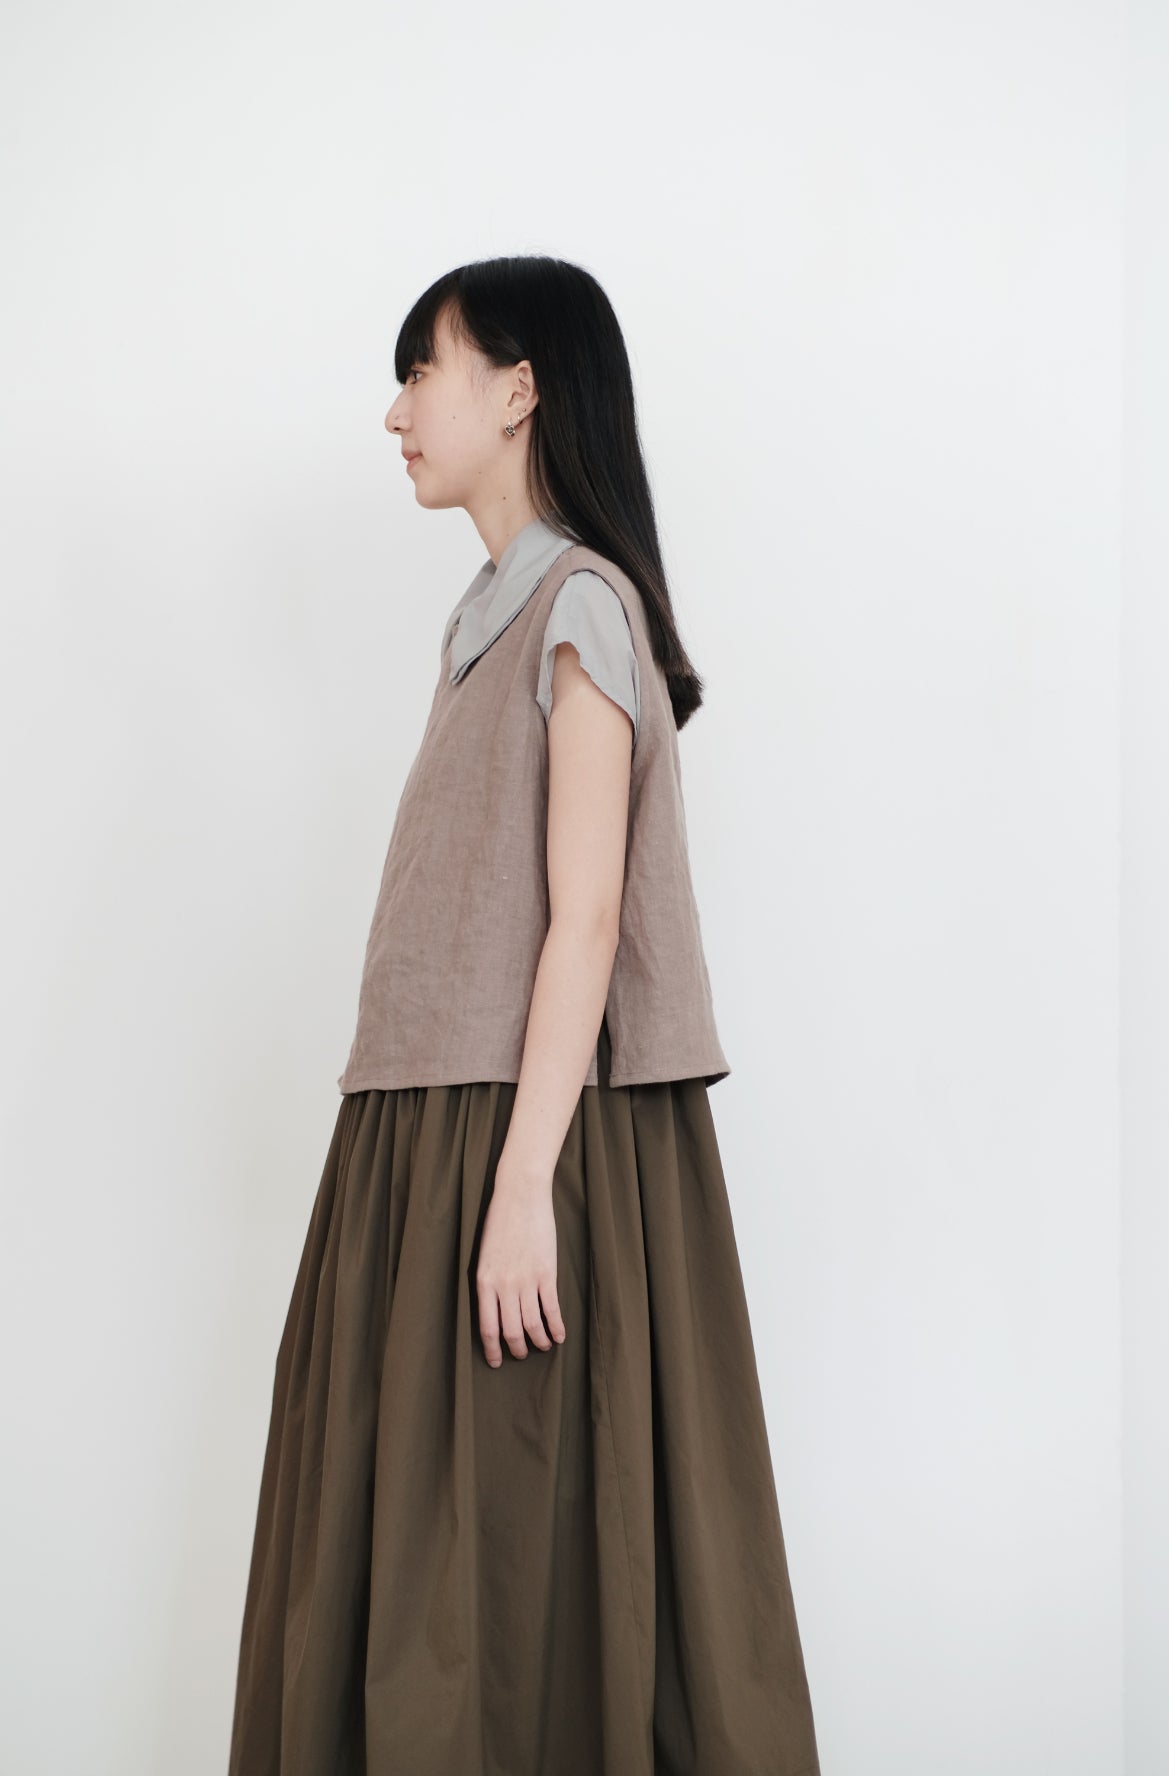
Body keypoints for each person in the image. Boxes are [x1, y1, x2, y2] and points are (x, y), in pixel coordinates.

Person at [227, 254, 822, 1776]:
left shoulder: (581, 608)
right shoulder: (487, 621)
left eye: (420, 371)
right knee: (424, 1562)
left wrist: (517, 1198)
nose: (396, 414)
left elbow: (588, 921)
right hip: (427, 1129)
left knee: (510, 1560)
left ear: (519, 389)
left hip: (517, 1143)